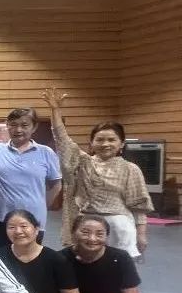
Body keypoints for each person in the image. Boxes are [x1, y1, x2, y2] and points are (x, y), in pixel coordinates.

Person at [43, 89, 153, 259]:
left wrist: (141, 234)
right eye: (100, 140)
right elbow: (62, 140)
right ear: (92, 143)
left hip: (119, 228)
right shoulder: (82, 163)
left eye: (111, 140)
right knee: (84, 267)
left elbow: (139, 206)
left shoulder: (131, 169)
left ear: (121, 144)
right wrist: (56, 111)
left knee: (118, 269)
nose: (105, 144)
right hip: (86, 227)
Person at [0, 102, 62, 247]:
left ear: (34, 127)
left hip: (32, 219)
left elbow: (56, 184)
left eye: (24, 125)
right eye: (13, 125)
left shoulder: (46, 152)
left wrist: (41, 205)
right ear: (7, 126)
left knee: (30, 257)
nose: (18, 129)